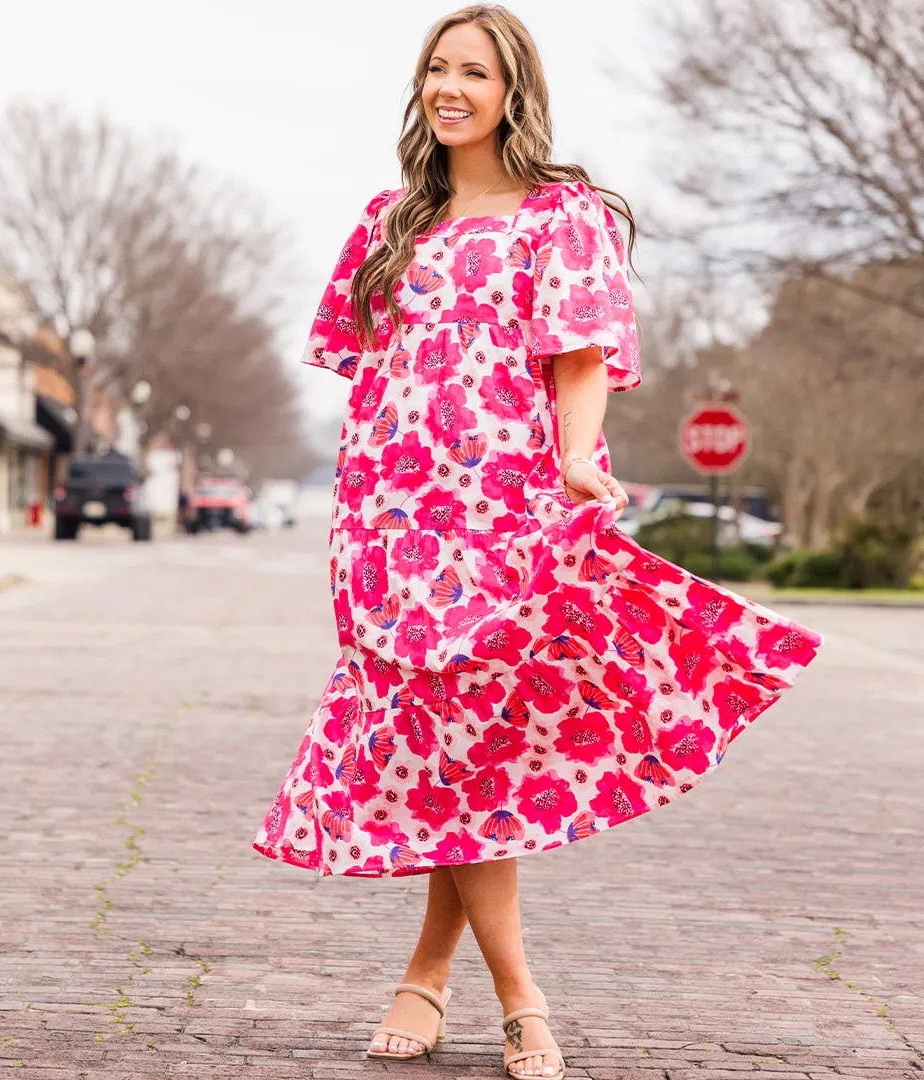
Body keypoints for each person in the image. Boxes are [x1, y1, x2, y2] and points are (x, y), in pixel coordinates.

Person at [254, 5, 822, 1077]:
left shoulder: (562, 215)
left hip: (499, 512)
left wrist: (576, 457)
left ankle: (515, 997)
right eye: (436, 67)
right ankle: (431, 977)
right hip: (384, 514)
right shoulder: (389, 220)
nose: (450, 86)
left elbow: (580, 355)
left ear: (514, 90)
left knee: (464, 738)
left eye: (474, 70)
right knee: (438, 744)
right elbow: (371, 365)